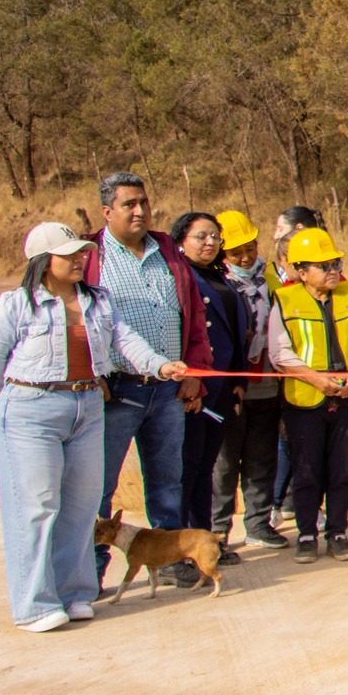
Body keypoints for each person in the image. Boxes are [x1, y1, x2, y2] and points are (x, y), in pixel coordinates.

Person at [0, 223, 187, 631]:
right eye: (68, 254)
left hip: (87, 407)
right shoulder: (16, 304)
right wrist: (25, 394)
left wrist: (160, 365)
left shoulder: (98, 301)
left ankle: (74, 594)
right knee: (36, 507)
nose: (79, 259)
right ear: (43, 261)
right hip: (30, 411)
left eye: (81, 252)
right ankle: (35, 605)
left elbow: (126, 341)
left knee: (81, 505)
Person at [83, 174, 213, 583]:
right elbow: (79, 323)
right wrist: (92, 376)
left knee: (166, 482)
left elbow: (194, 317)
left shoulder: (168, 253)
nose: (140, 211)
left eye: (144, 202)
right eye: (129, 204)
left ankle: (170, 561)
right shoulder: (91, 258)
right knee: (100, 486)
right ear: (107, 212)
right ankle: (90, 572)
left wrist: (195, 373)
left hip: (168, 390)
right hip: (117, 391)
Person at [269, 227, 348, 563]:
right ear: (302, 272)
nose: (333, 270)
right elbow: (279, 353)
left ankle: (338, 533)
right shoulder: (285, 300)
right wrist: (315, 380)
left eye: (336, 263)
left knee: (340, 470)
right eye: (324, 266)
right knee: (306, 470)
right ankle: (306, 535)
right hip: (305, 400)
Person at [172, 211, 249, 579]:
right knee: (186, 470)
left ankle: (204, 543)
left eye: (215, 237)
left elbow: (234, 332)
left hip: (222, 389)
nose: (209, 242)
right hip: (193, 390)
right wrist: (190, 381)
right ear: (180, 241)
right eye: (200, 236)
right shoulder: (178, 276)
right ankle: (180, 548)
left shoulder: (221, 277)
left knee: (205, 468)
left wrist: (240, 380)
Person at [212, 210, 288, 549]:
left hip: (268, 381)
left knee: (262, 457)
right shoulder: (217, 284)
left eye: (249, 248)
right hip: (231, 386)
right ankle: (217, 531)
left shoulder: (272, 279)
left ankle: (258, 523)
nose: (245, 257)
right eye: (235, 253)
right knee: (225, 463)